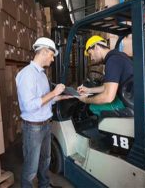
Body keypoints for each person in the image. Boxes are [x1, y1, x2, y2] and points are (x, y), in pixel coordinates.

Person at [16, 37, 70, 188]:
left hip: (46, 125)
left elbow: (46, 101)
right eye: (52, 55)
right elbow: (28, 106)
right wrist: (53, 93)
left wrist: (65, 96)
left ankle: (44, 185)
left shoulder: (42, 74)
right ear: (45, 51)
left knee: (45, 160)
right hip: (33, 127)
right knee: (31, 168)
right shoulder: (27, 75)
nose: (53, 59)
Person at [77, 35, 133, 116]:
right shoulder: (119, 56)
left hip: (125, 103)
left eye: (90, 54)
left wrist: (86, 100)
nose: (91, 58)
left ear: (96, 47)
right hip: (129, 97)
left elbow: (108, 97)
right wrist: (89, 90)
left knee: (92, 107)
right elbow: (109, 86)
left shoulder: (112, 61)